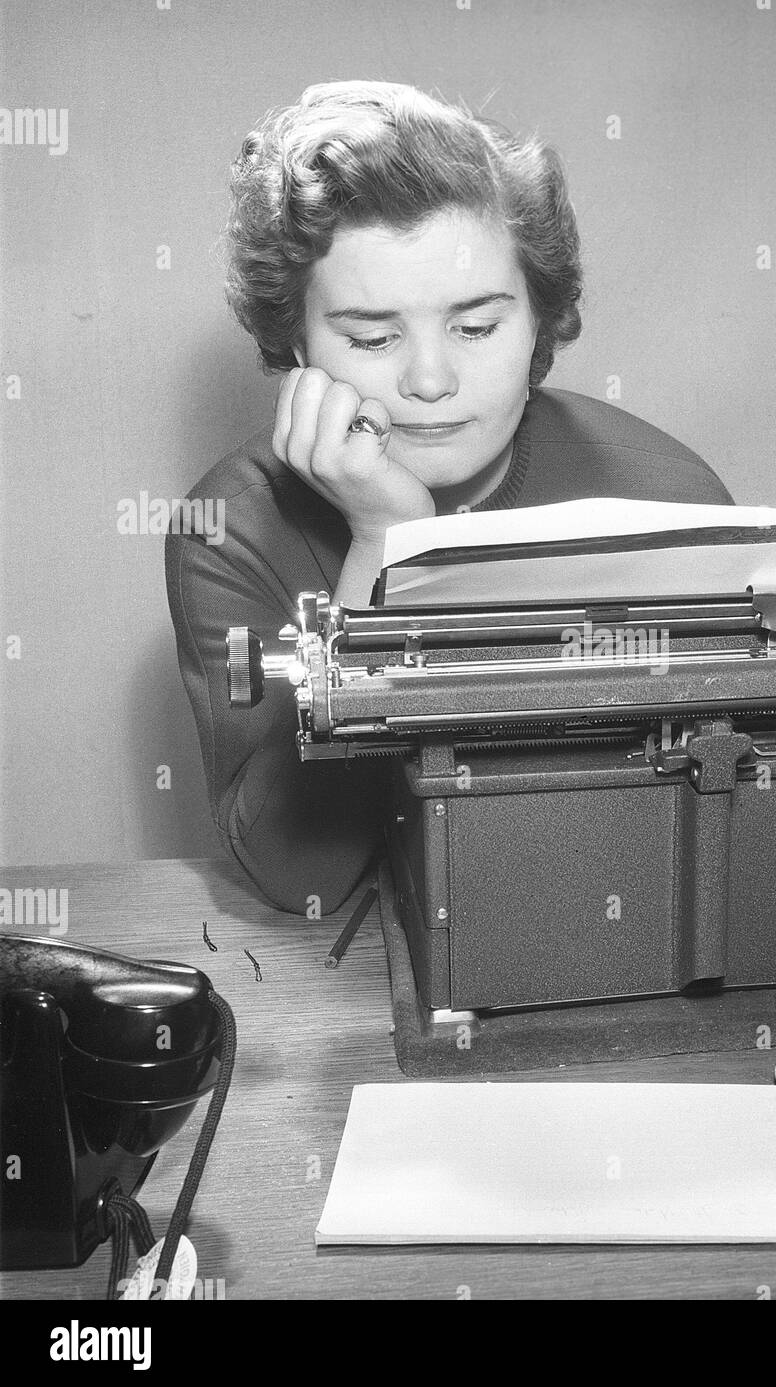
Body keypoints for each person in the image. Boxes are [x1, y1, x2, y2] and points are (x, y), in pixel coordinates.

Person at [166, 80, 733, 916]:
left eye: (476, 328)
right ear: (292, 338)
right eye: (371, 336)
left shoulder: (673, 498)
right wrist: (387, 543)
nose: (430, 381)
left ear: (543, 317)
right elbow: (300, 872)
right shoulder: (228, 530)